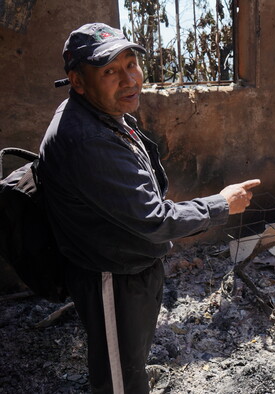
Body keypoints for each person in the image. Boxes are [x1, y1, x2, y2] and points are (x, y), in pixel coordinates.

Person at [38, 23, 260, 393]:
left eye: (131, 64)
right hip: (111, 276)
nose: (129, 79)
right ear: (78, 81)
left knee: (130, 363)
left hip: (130, 265)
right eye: (109, 71)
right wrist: (222, 204)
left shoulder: (100, 112)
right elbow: (154, 219)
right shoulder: (88, 139)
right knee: (120, 380)